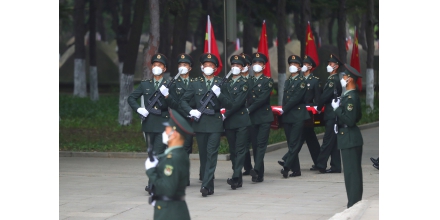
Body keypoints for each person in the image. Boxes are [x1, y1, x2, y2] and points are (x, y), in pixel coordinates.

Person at [179, 53, 232, 197]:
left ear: (215, 68)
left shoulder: (222, 83)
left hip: (214, 121)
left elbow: (229, 103)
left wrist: (219, 94)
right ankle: (209, 184)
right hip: (200, 122)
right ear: (202, 67)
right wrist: (191, 111)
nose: (208, 67)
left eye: (211, 65)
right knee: (203, 155)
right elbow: (183, 101)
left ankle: (206, 184)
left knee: (211, 154)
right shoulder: (195, 83)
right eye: (206, 65)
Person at [128, 53, 172, 193]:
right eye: (154, 65)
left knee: (158, 153)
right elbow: (131, 99)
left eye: (159, 65)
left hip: (162, 123)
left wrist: (167, 96)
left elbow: (176, 104)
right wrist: (139, 109)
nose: (156, 67)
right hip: (148, 124)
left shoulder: (169, 84)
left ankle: (152, 184)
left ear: (164, 69)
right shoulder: (145, 84)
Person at [145, 109, 194, 220]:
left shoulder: (172, 158)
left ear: (174, 134)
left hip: (170, 213)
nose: (164, 133)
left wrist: (151, 171)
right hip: (174, 210)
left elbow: (168, 189)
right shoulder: (179, 154)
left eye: (166, 130)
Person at [278, 55, 321, 170]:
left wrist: (313, 109)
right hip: (295, 113)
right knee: (307, 138)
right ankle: (318, 162)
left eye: (305, 65)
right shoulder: (293, 80)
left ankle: (288, 160)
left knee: (302, 139)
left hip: (305, 113)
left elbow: (317, 100)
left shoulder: (314, 81)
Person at [332, 63, 364, 208]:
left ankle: (353, 204)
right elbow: (358, 116)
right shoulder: (349, 96)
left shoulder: (350, 98)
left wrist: (337, 110)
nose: (342, 79)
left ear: (350, 79)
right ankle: (353, 203)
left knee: (352, 175)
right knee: (351, 174)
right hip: (349, 137)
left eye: (344, 76)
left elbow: (350, 120)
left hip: (350, 138)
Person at [166, 53, 196, 186]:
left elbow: (197, 101)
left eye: (185, 65)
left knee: (187, 149)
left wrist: (193, 111)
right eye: (180, 65)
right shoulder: (173, 83)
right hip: (178, 120)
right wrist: (166, 96)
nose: (182, 67)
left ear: (190, 68)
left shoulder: (195, 83)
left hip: (191, 120)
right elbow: (173, 103)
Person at [279, 55, 310, 178]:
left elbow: (295, 99)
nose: (292, 66)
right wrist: (283, 110)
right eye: (290, 64)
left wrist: (284, 109)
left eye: (295, 64)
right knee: (290, 143)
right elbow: (285, 99)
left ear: (299, 67)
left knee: (294, 143)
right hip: (287, 117)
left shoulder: (301, 82)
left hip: (297, 115)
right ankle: (296, 170)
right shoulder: (288, 81)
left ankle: (287, 166)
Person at [223, 55, 251, 189]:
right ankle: (237, 177)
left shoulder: (244, 83)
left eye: (238, 66)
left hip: (241, 120)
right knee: (233, 150)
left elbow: (238, 103)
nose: (235, 68)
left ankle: (235, 176)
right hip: (229, 122)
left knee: (240, 150)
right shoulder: (226, 83)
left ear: (243, 68)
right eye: (233, 65)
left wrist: (225, 114)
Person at [247, 52, 274, 182]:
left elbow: (261, 99)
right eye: (255, 63)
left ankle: (256, 169)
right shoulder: (248, 80)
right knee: (255, 145)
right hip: (252, 118)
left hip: (264, 117)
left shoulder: (267, 81)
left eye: (260, 63)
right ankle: (259, 174)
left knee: (261, 144)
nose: (257, 65)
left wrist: (249, 108)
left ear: (264, 66)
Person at [313, 53, 343, 174]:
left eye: (330, 64)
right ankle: (335, 166)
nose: (328, 66)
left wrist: (318, 108)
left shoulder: (333, 80)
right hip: (333, 113)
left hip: (332, 113)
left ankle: (320, 164)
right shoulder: (333, 79)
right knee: (334, 141)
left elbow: (325, 96)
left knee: (327, 140)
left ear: (336, 66)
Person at [239, 53, 255, 176]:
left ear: (249, 66)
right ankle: (247, 167)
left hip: (252, 115)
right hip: (239, 116)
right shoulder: (235, 80)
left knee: (254, 143)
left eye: (245, 64)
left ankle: (258, 167)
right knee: (242, 144)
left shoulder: (253, 81)